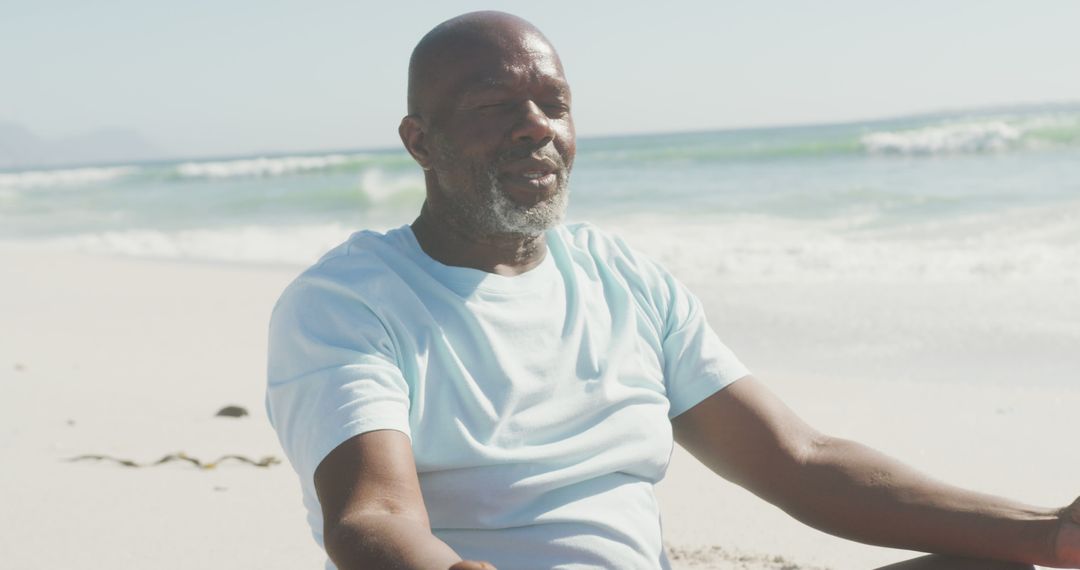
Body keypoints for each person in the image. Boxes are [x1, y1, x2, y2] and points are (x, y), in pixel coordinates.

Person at [266, 11, 1080, 570]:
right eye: (494, 106)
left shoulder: (622, 280)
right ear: (420, 141)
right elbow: (373, 519)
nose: (535, 126)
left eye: (555, 104)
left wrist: (1048, 532)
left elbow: (801, 462)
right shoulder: (349, 302)